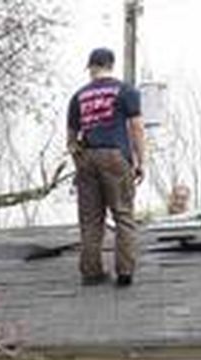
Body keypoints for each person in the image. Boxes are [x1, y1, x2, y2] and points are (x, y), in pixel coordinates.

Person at [67, 46, 147, 286]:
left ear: (91, 67)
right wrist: (140, 161)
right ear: (111, 65)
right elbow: (137, 128)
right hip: (114, 157)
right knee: (123, 215)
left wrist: (80, 163)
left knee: (91, 219)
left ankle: (91, 272)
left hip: (87, 158)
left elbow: (71, 140)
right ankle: (124, 272)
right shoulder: (125, 91)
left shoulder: (78, 96)